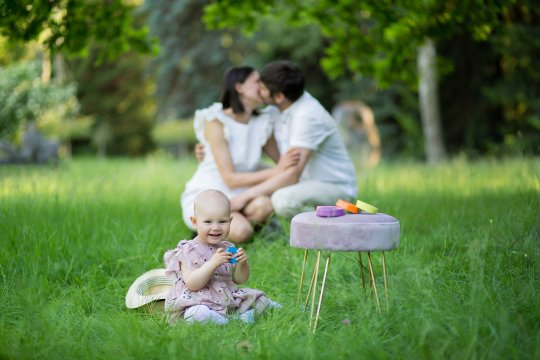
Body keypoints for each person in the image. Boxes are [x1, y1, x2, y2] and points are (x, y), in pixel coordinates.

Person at [181, 66, 300, 243]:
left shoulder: (262, 122)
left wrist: (285, 166)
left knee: (264, 206)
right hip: (212, 191)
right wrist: (277, 171)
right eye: (257, 81)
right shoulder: (216, 122)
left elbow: (282, 161)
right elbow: (229, 178)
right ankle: (205, 234)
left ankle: (240, 228)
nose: (262, 86)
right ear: (239, 87)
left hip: (242, 193)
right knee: (242, 232)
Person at [230, 60, 358, 217]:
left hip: (334, 187)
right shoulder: (276, 108)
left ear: (278, 96)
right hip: (304, 182)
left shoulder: (308, 115)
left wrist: (246, 196)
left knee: (283, 200)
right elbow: (244, 127)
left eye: (262, 88)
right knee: (250, 168)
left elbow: (292, 175)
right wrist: (207, 148)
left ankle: (332, 227)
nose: (258, 90)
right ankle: (275, 225)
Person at [164, 189, 281, 325]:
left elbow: (239, 279)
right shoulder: (188, 250)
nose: (216, 227)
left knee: (259, 298)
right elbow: (192, 283)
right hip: (198, 300)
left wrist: (242, 264)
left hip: (225, 298)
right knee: (196, 314)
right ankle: (233, 321)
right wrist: (212, 264)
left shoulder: (227, 247)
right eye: (208, 222)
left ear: (230, 221)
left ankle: (270, 309)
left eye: (222, 222)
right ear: (195, 222)